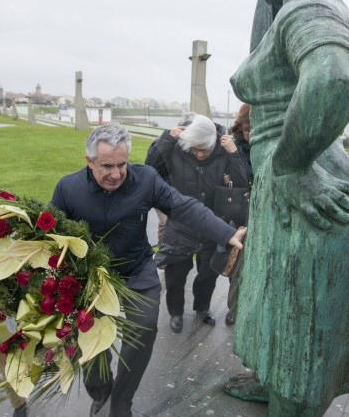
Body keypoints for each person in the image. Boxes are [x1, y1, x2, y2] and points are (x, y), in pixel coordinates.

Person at [227, 0, 349, 417]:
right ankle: (276, 389)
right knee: (283, 318)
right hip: (305, 185)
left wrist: (291, 168)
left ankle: (289, 404)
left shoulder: (310, 11)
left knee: (298, 329)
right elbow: (268, 56)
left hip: (308, 195)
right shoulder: (302, 6)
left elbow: (332, 78)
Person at [51, 123, 246, 417]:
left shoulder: (146, 180)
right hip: (90, 277)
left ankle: (121, 402)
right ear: (89, 162)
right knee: (90, 340)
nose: (116, 174)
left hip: (136, 270)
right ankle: (101, 389)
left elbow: (184, 206)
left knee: (143, 328)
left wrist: (224, 233)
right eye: (106, 166)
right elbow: (49, 236)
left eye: (122, 164)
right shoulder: (68, 188)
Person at [151, 114, 250, 332]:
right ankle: (176, 312)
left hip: (212, 225)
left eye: (203, 150)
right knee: (176, 273)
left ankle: (202, 308)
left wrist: (234, 154)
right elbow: (151, 170)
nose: (198, 154)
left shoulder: (225, 150)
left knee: (207, 274)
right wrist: (166, 139)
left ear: (213, 143)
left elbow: (244, 182)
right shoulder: (178, 146)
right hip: (180, 224)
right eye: (194, 149)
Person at [225, 104, 253, 326]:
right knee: (237, 265)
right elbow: (245, 178)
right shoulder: (234, 146)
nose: (250, 134)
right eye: (246, 129)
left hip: (262, 211)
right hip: (242, 213)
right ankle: (233, 308)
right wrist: (234, 153)